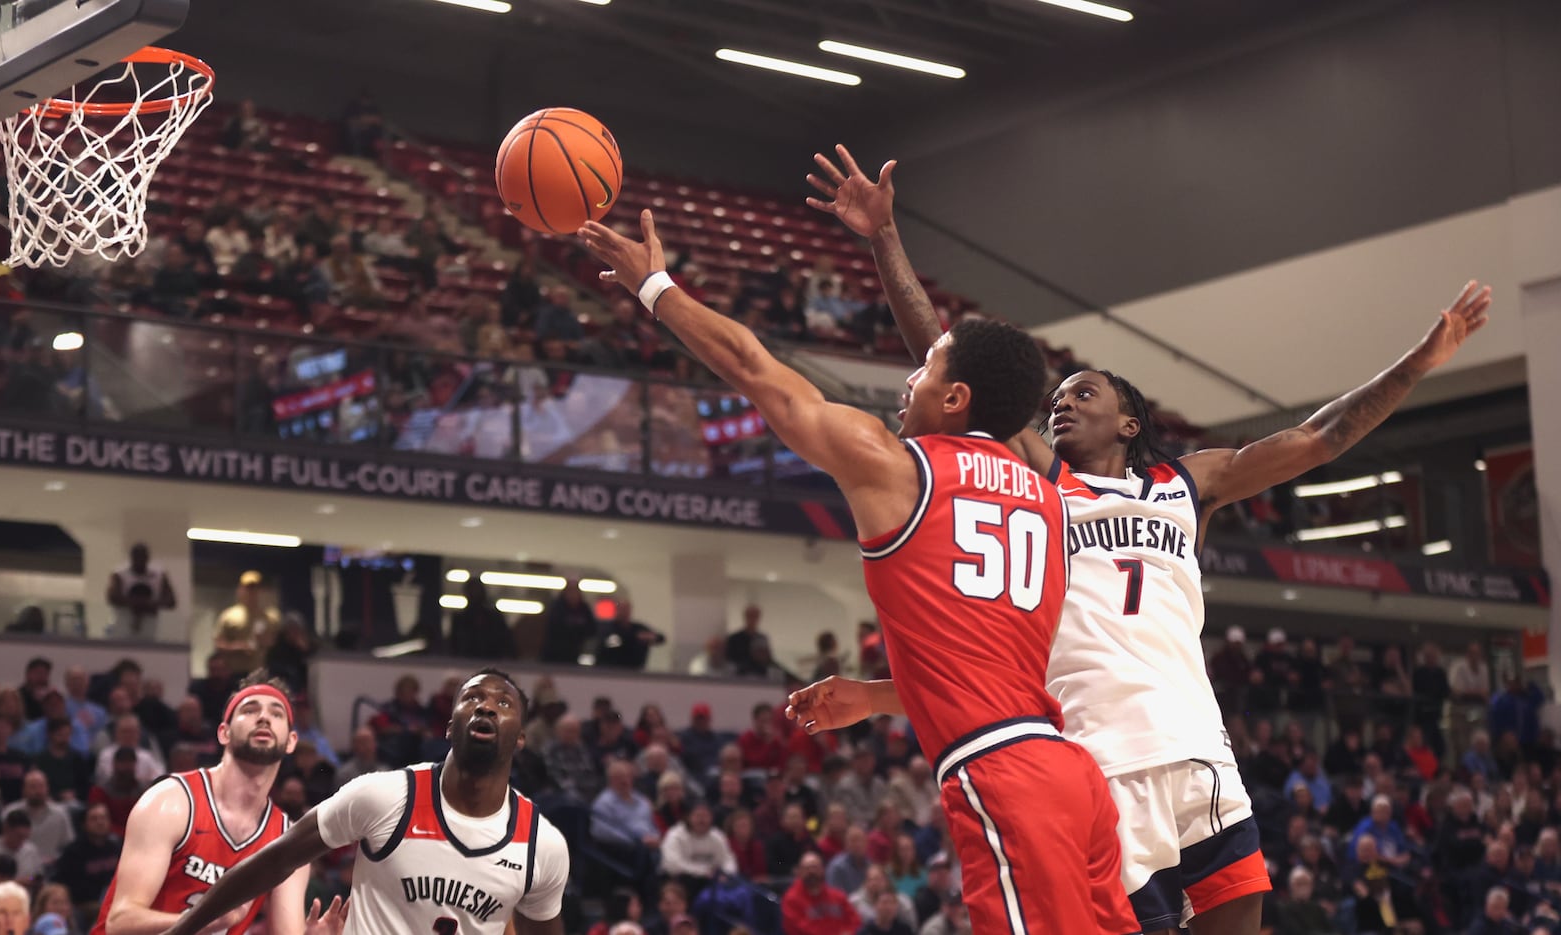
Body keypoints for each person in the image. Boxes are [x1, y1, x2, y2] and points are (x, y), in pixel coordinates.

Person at [801, 143, 1493, 935]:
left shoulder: (1189, 482)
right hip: (1098, 758)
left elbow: (1321, 436)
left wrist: (1422, 360)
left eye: (1081, 392)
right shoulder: (1037, 479)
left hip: (1199, 747)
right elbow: (945, 354)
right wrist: (884, 238)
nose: (1061, 405)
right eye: (1054, 398)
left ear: (1129, 420)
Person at [580, 210, 1135, 933]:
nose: (910, 378)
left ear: (957, 397)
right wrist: (877, 697)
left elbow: (760, 373)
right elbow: (986, 662)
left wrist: (653, 285)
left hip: (1002, 773)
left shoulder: (899, 466)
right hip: (1070, 774)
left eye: (927, 366)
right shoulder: (1051, 500)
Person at [160, 668, 567, 935]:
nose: (486, 707)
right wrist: (180, 932)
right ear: (448, 726)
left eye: (503, 703)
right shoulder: (384, 796)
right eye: (473, 697)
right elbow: (275, 860)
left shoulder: (541, 846)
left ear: (520, 738)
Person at [87, 673, 338, 935]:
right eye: (250, 710)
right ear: (224, 733)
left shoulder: (287, 839)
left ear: (291, 742)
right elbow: (121, 922)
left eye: (276, 714)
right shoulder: (171, 801)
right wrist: (202, 920)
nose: (263, 717)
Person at [105, 543, 176, 640]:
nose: (140, 561)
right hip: (124, 621)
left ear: (147, 558)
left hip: (150, 622)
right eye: (137, 557)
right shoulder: (120, 574)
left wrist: (139, 603)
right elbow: (112, 597)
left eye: (143, 557)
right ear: (132, 558)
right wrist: (144, 604)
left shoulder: (159, 575)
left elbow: (171, 601)